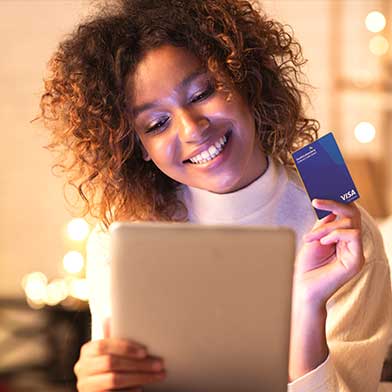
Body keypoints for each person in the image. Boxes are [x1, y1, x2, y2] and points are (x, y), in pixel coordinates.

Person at [39, 0, 392, 391]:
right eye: (156, 123)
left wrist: (307, 310)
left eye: (202, 92)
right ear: (137, 146)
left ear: (244, 79)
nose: (192, 129)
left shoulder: (341, 235)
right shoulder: (119, 243)